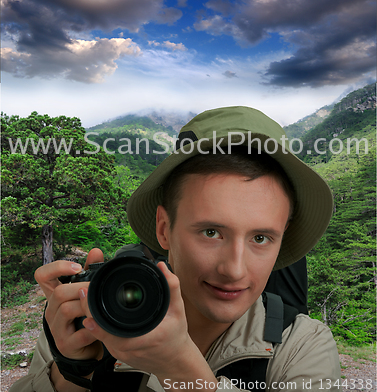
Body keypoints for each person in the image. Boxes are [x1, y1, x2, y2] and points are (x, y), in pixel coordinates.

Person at [10, 106, 341, 392]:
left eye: (260, 238)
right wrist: (73, 373)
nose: (234, 269)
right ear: (164, 229)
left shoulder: (302, 346)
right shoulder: (100, 312)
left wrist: (179, 367)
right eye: (211, 232)